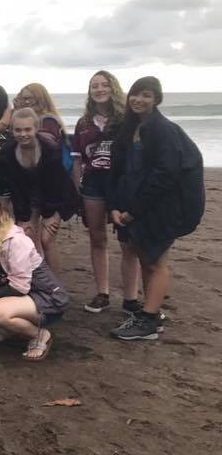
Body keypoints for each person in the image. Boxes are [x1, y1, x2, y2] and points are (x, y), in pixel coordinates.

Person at [107, 77, 204, 341]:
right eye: (135, 95)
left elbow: (165, 175)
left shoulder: (165, 130)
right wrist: (115, 206)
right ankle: (152, 313)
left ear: (157, 99)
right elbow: (119, 171)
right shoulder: (129, 129)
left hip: (159, 208)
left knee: (156, 261)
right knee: (143, 258)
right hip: (130, 206)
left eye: (146, 95)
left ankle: (149, 320)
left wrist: (134, 211)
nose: (139, 100)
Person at [0, 193, 69, 360]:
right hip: (23, 294)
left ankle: (40, 335)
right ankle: (6, 327)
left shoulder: (16, 241)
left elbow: (20, 286)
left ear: (2, 214)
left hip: (46, 297)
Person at [73, 71, 138, 314]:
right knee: (97, 238)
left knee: (127, 240)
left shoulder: (127, 119)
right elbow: (78, 160)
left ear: (113, 88)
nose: (99, 89)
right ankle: (102, 293)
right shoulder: (84, 123)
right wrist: (76, 188)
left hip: (121, 184)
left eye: (104, 85)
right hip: (92, 184)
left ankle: (130, 298)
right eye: (94, 86)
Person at [1, 108, 80, 272]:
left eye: (27, 129)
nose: (23, 134)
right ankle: (35, 283)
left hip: (57, 195)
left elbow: (57, 185)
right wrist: (24, 217)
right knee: (26, 236)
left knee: (46, 239)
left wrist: (52, 215)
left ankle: (57, 288)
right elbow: (15, 186)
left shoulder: (49, 148)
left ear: (36, 129)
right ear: (12, 130)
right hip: (28, 195)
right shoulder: (8, 151)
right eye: (18, 130)